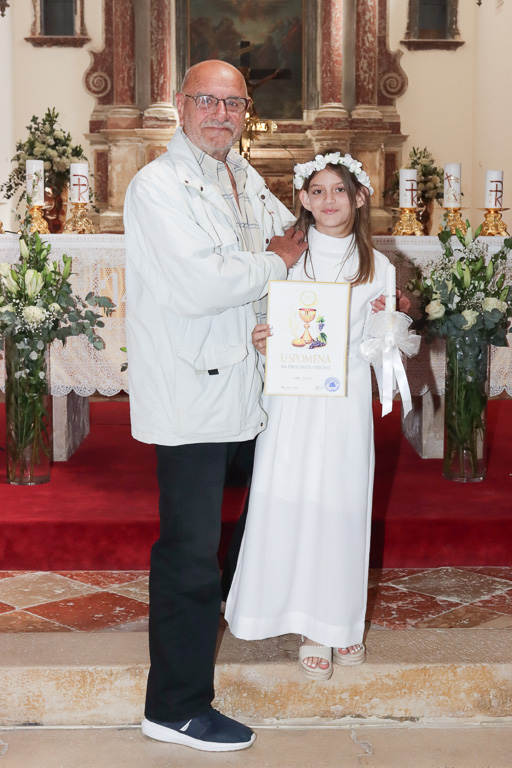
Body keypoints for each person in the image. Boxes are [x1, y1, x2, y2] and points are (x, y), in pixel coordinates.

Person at [123, 59, 307, 752]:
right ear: (180, 104)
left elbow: (294, 239)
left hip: (246, 380)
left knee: (273, 508)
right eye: (207, 100)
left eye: (233, 104)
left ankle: (246, 614)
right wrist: (276, 262)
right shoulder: (157, 186)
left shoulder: (242, 176)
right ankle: (174, 706)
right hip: (192, 389)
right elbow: (203, 284)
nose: (221, 114)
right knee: (190, 552)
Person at [225, 151, 402, 679]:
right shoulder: (286, 257)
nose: (329, 200)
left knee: (340, 504)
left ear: (359, 197)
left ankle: (337, 622)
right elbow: (259, 318)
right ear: (302, 198)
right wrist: (263, 340)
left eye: (339, 190)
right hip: (291, 399)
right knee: (290, 498)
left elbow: (383, 354)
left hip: (345, 398)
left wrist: (387, 326)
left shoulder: (378, 267)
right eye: (318, 191)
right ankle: (304, 623)